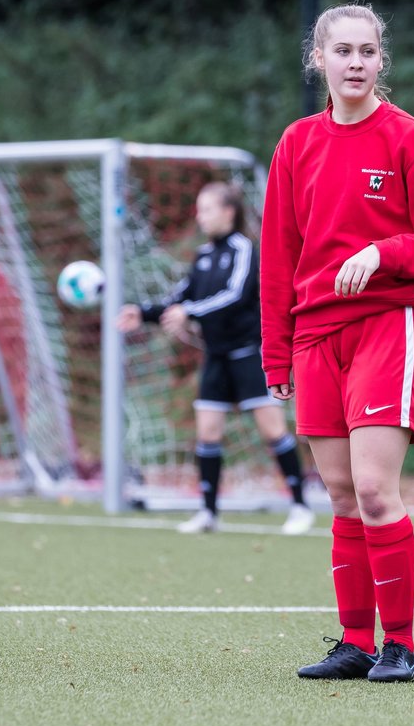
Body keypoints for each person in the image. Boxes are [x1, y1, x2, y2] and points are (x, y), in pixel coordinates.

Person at [260, 2, 414, 683]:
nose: (356, 62)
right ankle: (354, 642)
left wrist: (383, 254)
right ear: (318, 58)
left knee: (378, 489)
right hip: (315, 335)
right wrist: (277, 353)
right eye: (343, 50)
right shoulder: (296, 143)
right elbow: (279, 256)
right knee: (342, 494)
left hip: (386, 326)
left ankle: (399, 645)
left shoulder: (410, 140)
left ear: (382, 61)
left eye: (368, 51)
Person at [116, 181, 315, 536]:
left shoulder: (244, 250)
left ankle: (300, 506)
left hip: (249, 355)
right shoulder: (204, 255)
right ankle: (208, 512)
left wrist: (189, 312)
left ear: (228, 211)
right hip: (216, 357)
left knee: (273, 430)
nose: (200, 216)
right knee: (207, 434)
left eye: (206, 209)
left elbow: (235, 295)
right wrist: (144, 312)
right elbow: (180, 298)